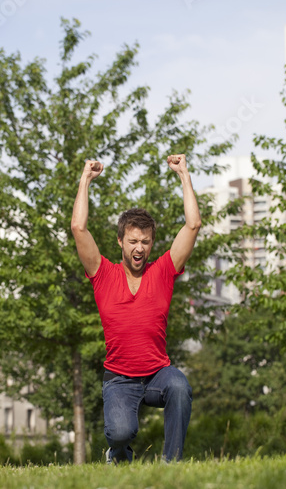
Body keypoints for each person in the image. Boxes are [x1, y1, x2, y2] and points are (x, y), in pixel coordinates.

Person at [71, 154, 201, 463]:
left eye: (145, 241)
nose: (139, 247)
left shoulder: (163, 270)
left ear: (152, 243)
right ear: (120, 241)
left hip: (157, 374)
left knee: (180, 387)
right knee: (119, 433)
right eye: (132, 241)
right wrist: (85, 180)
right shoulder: (102, 274)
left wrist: (184, 174)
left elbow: (193, 224)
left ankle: (172, 466)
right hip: (119, 379)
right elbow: (78, 227)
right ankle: (117, 455)